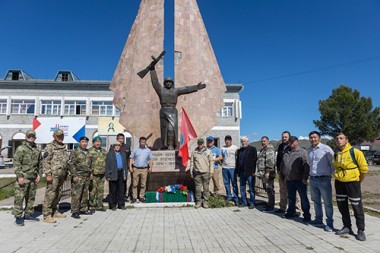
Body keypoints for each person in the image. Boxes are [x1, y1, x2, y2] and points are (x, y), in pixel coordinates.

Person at [149, 65, 206, 150]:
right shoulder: (161, 91)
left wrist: (196, 87)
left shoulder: (175, 91)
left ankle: (171, 145)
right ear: (165, 83)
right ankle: (165, 145)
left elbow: (186, 89)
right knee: (164, 129)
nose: (168, 83)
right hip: (163, 110)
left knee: (172, 128)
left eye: (170, 82)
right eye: (167, 82)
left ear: (172, 83)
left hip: (172, 110)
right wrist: (152, 69)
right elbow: (155, 82)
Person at [333, 133, 368, 241]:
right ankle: (347, 227)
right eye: (337, 138)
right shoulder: (336, 154)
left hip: (353, 183)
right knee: (342, 206)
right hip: (339, 182)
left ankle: (361, 230)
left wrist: (358, 181)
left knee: (357, 207)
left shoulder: (355, 152)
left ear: (347, 140)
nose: (339, 140)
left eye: (341, 138)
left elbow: (364, 169)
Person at [12, 130, 42, 226]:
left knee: (30, 198)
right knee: (19, 198)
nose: (31, 137)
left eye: (33, 136)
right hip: (23, 178)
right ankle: (18, 217)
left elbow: (40, 163)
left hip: (33, 178)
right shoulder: (21, 148)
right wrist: (20, 176)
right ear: (26, 137)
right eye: (29, 136)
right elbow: (16, 163)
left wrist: (39, 175)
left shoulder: (37, 149)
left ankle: (28, 214)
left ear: (35, 137)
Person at [307, 131, 335, 232]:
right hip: (313, 179)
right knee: (316, 201)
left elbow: (333, 162)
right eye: (311, 138)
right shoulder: (309, 150)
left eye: (315, 137)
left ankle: (329, 223)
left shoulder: (326, 149)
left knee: (327, 202)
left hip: (324, 179)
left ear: (319, 138)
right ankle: (318, 219)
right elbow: (309, 163)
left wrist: (329, 173)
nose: (313, 139)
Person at [280, 136, 311, 222]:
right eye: (290, 142)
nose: (291, 143)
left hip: (300, 179)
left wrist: (305, 177)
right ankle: (291, 212)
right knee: (291, 197)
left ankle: (306, 215)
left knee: (303, 197)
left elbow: (306, 165)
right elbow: (283, 164)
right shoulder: (286, 151)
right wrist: (282, 175)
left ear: (297, 142)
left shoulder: (303, 152)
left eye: (293, 142)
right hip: (289, 179)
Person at [42, 129, 69, 223]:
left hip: (61, 174)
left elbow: (66, 161)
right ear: (54, 136)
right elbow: (45, 161)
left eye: (61, 136)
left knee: (59, 193)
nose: (60, 137)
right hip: (53, 175)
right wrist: (48, 174)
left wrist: (66, 173)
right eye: (58, 136)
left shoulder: (63, 147)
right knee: (50, 194)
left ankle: (55, 210)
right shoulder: (50, 147)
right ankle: (46, 215)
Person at [276, 131, 301, 214]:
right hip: (281, 172)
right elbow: (279, 159)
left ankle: (297, 209)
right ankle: (282, 207)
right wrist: (278, 169)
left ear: (289, 138)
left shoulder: (292, 147)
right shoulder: (280, 146)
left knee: (294, 192)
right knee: (282, 190)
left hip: (291, 173)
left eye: (285, 137)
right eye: (283, 137)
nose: (284, 138)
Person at [69, 136, 92, 219]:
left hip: (86, 176)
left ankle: (83, 208)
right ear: (79, 143)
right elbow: (71, 164)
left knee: (85, 194)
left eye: (86, 142)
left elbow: (90, 164)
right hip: (78, 176)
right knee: (76, 194)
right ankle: (74, 211)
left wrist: (91, 173)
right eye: (83, 142)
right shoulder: (75, 152)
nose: (84, 143)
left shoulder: (88, 152)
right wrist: (74, 175)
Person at [190, 138, 214, 208]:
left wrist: (211, 172)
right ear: (197, 143)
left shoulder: (208, 151)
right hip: (197, 173)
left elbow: (211, 162)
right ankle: (198, 202)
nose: (200, 144)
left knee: (206, 188)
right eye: (199, 143)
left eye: (201, 143)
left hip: (206, 173)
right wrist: (191, 171)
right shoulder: (194, 152)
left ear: (203, 144)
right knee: (198, 188)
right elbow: (192, 162)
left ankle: (205, 202)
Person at [129, 137, 153, 203]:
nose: (142, 143)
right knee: (134, 184)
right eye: (141, 142)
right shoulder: (135, 150)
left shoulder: (148, 150)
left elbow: (150, 159)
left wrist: (150, 167)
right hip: (136, 168)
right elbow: (131, 158)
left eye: (144, 142)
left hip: (144, 169)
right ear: (139, 142)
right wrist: (130, 167)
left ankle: (141, 197)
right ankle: (134, 197)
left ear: (145, 142)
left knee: (143, 184)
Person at [236, 136, 257, 209]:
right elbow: (237, 161)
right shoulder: (239, 150)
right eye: (242, 141)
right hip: (241, 172)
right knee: (242, 188)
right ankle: (244, 202)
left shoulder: (252, 149)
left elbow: (255, 161)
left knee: (251, 188)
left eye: (244, 141)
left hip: (250, 172)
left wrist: (253, 171)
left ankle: (252, 203)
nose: (243, 143)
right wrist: (237, 172)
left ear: (247, 142)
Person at [106, 141, 128, 210]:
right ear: (113, 147)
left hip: (121, 172)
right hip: (113, 173)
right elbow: (107, 165)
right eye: (116, 146)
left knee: (121, 190)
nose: (117, 147)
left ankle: (121, 204)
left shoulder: (123, 154)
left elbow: (125, 165)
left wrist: (125, 174)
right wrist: (107, 175)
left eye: (119, 146)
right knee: (113, 190)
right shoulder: (109, 154)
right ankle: (112, 205)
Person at [256, 136, 276, 212]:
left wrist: (267, 172)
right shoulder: (263, 150)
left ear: (268, 141)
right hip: (263, 174)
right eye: (262, 141)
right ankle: (269, 204)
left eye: (264, 141)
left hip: (268, 174)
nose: (263, 142)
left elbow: (270, 162)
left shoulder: (269, 149)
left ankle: (271, 206)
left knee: (270, 189)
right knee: (267, 189)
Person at [89, 136, 107, 212]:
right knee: (92, 191)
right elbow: (88, 163)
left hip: (102, 174)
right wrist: (90, 173)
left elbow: (106, 162)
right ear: (93, 143)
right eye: (96, 142)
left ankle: (99, 205)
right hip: (93, 174)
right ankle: (92, 206)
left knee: (100, 191)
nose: (98, 143)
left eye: (99, 142)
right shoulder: (90, 151)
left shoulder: (104, 151)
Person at [221, 135, 239, 205]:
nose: (227, 141)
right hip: (224, 168)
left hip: (232, 168)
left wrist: (237, 168)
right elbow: (221, 157)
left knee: (234, 183)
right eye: (226, 140)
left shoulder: (235, 148)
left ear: (231, 140)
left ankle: (236, 197)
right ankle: (229, 196)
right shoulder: (222, 148)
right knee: (226, 183)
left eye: (228, 140)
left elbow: (238, 158)